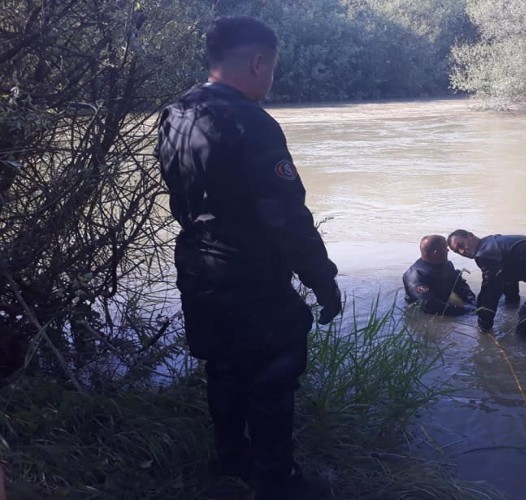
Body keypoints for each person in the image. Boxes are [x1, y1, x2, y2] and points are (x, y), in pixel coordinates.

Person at [155, 16, 340, 500]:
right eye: (271, 69)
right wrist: (322, 279)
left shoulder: (175, 112)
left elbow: (182, 197)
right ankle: (277, 483)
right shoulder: (252, 123)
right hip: (249, 276)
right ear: (258, 62)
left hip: (197, 267)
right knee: (274, 373)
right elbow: (285, 216)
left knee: (223, 366)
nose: (271, 80)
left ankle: (231, 461)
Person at [402, 235, 476, 315]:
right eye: (445, 248)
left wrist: (473, 302)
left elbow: (460, 286)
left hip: (444, 305)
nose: (448, 250)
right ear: (436, 253)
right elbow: (430, 304)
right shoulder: (415, 276)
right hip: (422, 313)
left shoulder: (448, 265)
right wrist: (466, 310)